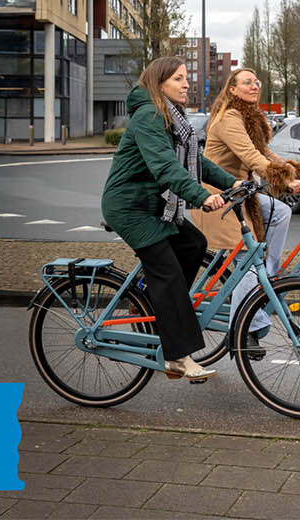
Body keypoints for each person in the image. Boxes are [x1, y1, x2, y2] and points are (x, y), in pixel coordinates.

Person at [101, 56, 239, 381]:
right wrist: (202, 197)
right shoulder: (150, 116)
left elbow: (196, 164)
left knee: (194, 244)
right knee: (169, 274)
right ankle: (177, 356)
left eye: (186, 78)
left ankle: (152, 305)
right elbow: (165, 168)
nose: (187, 84)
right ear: (159, 82)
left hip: (154, 204)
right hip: (131, 207)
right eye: (179, 78)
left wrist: (233, 183)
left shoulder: (171, 117)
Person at [187, 68, 300, 352]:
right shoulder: (229, 117)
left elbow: (265, 152)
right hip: (218, 196)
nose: (254, 86)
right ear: (232, 89)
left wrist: (292, 172)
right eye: (247, 82)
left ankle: (267, 280)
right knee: (246, 259)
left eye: (256, 82)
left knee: (281, 213)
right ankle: (243, 327)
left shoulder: (250, 117)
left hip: (240, 194)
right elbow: (251, 157)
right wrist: (284, 180)